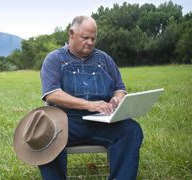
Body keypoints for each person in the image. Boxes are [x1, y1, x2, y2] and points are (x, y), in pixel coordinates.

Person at [39, 15, 144, 180]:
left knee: (131, 130)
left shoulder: (104, 59)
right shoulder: (55, 59)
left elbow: (120, 88)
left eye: (93, 38)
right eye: (85, 37)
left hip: (101, 120)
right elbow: (52, 94)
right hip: (66, 122)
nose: (90, 42)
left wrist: (117, 99)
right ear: (71, 34)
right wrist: (88, 104)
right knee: (44, 135)